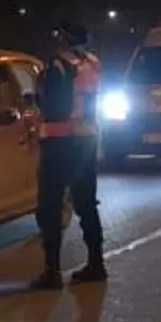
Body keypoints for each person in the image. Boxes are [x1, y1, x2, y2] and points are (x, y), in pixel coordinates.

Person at [32, 21, 105, 289]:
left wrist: (40, 99)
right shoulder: (92, 63)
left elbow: (55, 106)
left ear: (61, 38)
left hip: (59, 140)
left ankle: (51, 271)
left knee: (50, 206)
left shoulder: (57, 66)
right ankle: (96, 263)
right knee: (86, 203)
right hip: (87, 139)